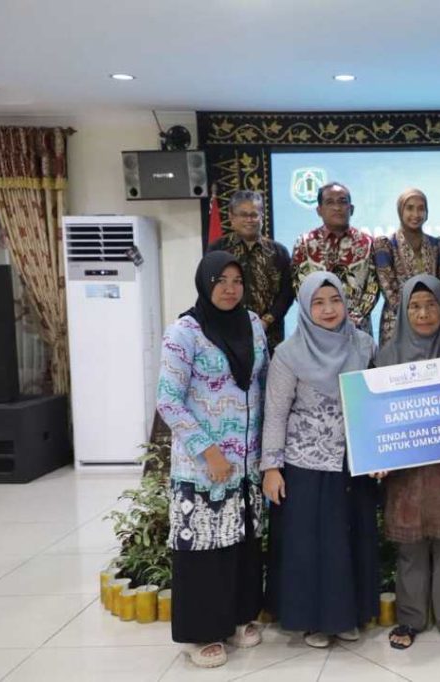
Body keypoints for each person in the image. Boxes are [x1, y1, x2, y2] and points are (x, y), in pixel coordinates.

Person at [156, 251, 268, 669]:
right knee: (203, 547)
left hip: (247, 462)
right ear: (205, 284)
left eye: (237, 281)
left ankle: (238, 617)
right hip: (203, 464)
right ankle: (200, 632)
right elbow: (168, 399)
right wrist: (209, 450)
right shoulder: (184, 332)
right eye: (220, 281)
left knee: (240, 543)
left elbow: (262, 382)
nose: (229, 289)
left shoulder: (253, 324)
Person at [260, 271, 379, 649]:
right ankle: (313, 622)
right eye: (318, 303)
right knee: (313, 547)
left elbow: (375, 402)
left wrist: (379, 451)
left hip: (352, 461)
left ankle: (347, 617)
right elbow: (275, 413)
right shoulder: (288, 354)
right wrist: (272, 468)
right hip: (306, 464)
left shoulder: (364, 345)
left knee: (350, 542)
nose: (329, 309)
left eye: (335, 300)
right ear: (304, 308)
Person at [374, 275, 440, 651]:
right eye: (415, 307)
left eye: (431, 305)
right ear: (403, 312)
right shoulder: (387, 358)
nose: (423, 314)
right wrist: (378, 455)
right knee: (410, 549)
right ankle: (410, 618)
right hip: (407, 473)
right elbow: (376, 418)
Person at [206, 190, 295, 348]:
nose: (249, 220)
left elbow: (287, 293)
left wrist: (266, 321)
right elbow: (208, 286)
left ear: (262, 216)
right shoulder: (218, 249)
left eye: (254, 215)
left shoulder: (278, 252)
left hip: (269, 336)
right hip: (227, 334)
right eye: (243, 215)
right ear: (232, 217)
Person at [291, 182, 380, 334]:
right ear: (319, 210)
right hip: (317, 328)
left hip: (357, 330)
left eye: (342, 202)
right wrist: (320, 315)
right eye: (330, 202)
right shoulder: (305, 243)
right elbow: (298, 286)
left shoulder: (368, 243)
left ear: (351, 209)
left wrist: (353, 319)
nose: (337, 207)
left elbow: (373, 287)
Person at [373, 188, 440, 343]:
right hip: (396, 322)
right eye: (410, 208)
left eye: (421, 209)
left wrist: (429, 315)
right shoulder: (385, 245)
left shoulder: (436, 244)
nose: (416, 214)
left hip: (430, 321)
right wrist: (413, 315)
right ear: (400, 211)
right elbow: (389, 290)